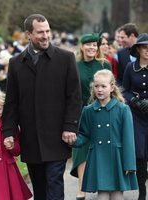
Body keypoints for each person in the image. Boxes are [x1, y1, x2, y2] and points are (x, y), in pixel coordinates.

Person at [2, 14, 81, 200]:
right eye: (40, 32)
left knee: (54, 182)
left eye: (47, 31)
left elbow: (74, 97)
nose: (46, 36)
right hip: (31, 138)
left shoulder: (66, 58)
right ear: (28, 34)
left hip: (57, 136)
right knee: (39, 189)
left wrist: (70, 126)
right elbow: (12, 102)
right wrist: (9, 132)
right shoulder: (16, 64)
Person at [70, 69, 138, 200]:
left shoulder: (123, 109)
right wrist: (74, 140)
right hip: (98, 158)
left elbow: (128, 139)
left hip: (117, 159)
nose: (99, 89)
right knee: (102, 196)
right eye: (96, 86)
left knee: (117, 195)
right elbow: (84, 134)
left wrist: (129, 164)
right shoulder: (88, 110)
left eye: (103, 86)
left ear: (112, 87)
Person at [70, 33, 111, 200]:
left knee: (103, 147)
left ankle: (104, 184)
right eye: (88, 45)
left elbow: (111, 88)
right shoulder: (74, 65)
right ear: (82, 46)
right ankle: (81, 189)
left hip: (101, 109)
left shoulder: (104, 64)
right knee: (81, 150)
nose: (92, 48)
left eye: (95, 45)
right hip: (80, 111)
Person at [122, 33, 148, 200]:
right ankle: (142, 192)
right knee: (140, 155)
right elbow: (124, 91)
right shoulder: (130, 68)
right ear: (138, 49)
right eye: (145, 48)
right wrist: (135, 101)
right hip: (137, 116)